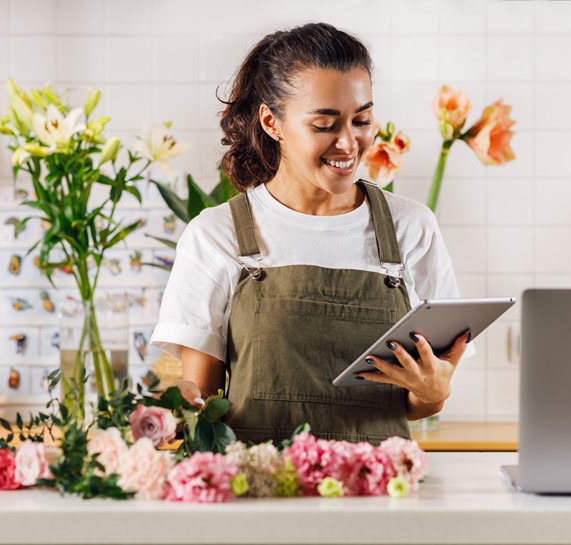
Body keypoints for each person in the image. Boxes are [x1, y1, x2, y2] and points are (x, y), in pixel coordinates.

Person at [150, 22, 470, 445]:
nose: (349, 143)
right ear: (271, 121)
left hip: (376, 494)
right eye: (324, 124)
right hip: (258, 490)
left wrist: (435, 393)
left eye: (362, 120)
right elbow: (203, 401)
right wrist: (177, 407)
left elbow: (418, 400)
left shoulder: (411, 228)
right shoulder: (217, 234)